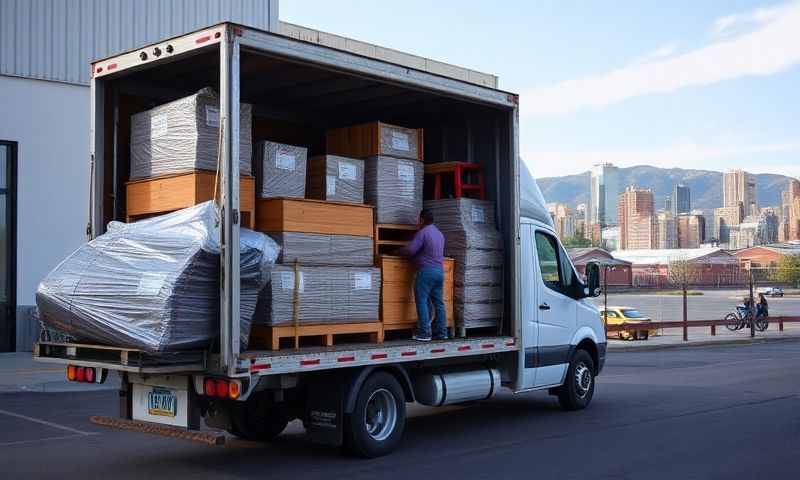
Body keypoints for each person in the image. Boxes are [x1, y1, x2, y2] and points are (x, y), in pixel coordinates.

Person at [397, 209, 447, 342]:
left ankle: (425, 333)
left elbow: (411, 250)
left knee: (422, 300)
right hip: (439, 272)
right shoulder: (440, 234)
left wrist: (397, 251)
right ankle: (442, 333)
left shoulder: (423, 232)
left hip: (426, 272)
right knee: (439, 302)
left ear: (422, 219)